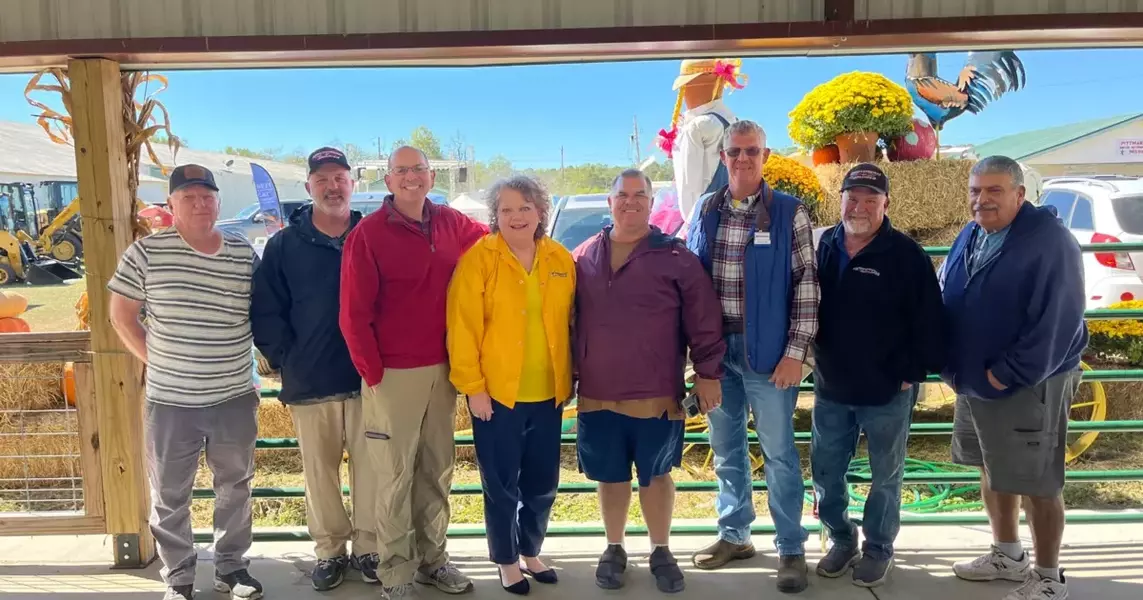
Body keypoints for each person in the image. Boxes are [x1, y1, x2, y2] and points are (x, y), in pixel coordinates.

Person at [339, 146, 490, 600]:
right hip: (393, 375)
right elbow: (353, 315)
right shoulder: (367, 234)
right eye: (402, 171)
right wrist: (375, 376)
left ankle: (434, 561)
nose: (411, 177)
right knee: (395, 477)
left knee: (437, 470)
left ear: (431, 177)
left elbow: (494, 245)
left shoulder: (451, 223)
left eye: (419, 169)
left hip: (444, 370)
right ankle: (396, 574)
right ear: (388, 180)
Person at [107, 164, 263, 600]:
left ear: (218, 202)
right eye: (188, 196)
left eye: (206, 195)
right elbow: (121, 316)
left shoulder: (242, 253)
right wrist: (158, 363)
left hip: (233, 395)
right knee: (170, 493)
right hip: (170, 401)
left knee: (235, 486)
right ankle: (178, 577)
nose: (199, 203)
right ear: (171, 204)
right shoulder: (145, 253)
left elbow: (260, 315)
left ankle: (232, 569)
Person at [940, 155, 1087, 600]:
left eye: (994, 191)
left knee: (1038, 480)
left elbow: (1057, 322)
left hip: (1027, 382)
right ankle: (1007, 554)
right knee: (992, 467)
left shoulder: (1050, 241)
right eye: (975, 191)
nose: (981, 200)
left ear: (1020, 195)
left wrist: (1007, 374)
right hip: (976, 379)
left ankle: (1048, 577)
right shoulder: (972, 233)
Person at [573, 169, 726, 594]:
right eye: (622, 195)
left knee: (656, 475)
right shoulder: (583, 255)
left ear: (650, 202)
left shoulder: (676, 258)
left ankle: (661, 548)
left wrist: (709, 374)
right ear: (610, 202)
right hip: (597, 395)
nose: (630, 202)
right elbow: (566, 323)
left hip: (656, 393)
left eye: (640, 195)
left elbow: (704, 323)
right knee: (610, 475)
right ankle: (614, 547)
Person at [685, 119, 820, 594]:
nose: (742, 159)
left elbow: (807, 286)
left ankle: (790, 547)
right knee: (726, 452)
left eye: (752, 151)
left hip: (770, 356)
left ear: (765, 156)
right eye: (735, 151)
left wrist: (795, 354)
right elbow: (689, 281)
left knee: (780, 455)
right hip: (717, 355)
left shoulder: (789, 212)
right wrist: (697, 359)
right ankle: (734, 534)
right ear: (723, 156)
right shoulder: (706, 211)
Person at [810, 163, 947, 588]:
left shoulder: (907, 255)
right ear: (841, 199)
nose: (860, 206)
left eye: (871, 199)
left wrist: (911, 372)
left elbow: (930, 320)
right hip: (832, 384)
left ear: (886, 203)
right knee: (825, 471)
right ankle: (841, 536)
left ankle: (878, 547)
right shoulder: (821, 246)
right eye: (853, 197)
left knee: (885, 473)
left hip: (888, 386)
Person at [250, 147, 378, 591]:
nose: (332, 186)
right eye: (322, 179)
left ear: (352, 184)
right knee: (319, 475)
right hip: (310, 380)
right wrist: (288, 357)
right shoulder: (284, 245)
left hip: (370, 381)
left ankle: (369, 547)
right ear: (308, 187)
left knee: (372, 470)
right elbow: (266, 311)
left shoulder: (374, 236)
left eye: (340, 177)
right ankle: (329, 551)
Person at [446, 175, 576, 596]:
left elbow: (571, 324)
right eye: (506, 209)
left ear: (541, 211)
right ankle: (506, 559)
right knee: (501, 484)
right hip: (497, 395)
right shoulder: (478, 259)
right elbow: (461, 327)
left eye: (525, 207)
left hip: (548, 392)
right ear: (495, 216)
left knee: (542, 484)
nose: (516, 216)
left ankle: (530, 550)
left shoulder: (560, 258)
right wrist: (473, 387)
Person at [658, 58, 745, 226]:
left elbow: (689, 191)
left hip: (703, 224)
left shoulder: (697, 127)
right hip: (733, 220)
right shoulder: (734, 121)